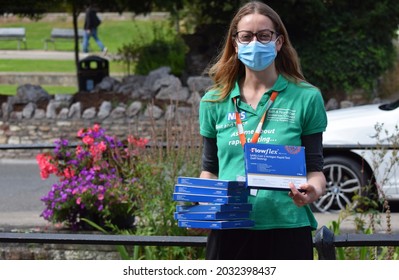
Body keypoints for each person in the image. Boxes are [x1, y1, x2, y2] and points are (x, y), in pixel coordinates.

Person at [199, 1, 328, 260]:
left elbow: (315, 170)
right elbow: (209, 170)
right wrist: (202, 206)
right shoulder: (213, 101)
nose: (254, 42)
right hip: (229, 229)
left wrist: (312, 191)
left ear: (278, 42)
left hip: (287, 227)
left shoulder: (306, 97)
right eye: (246, 36)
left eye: (264, 35)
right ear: (235, 44)